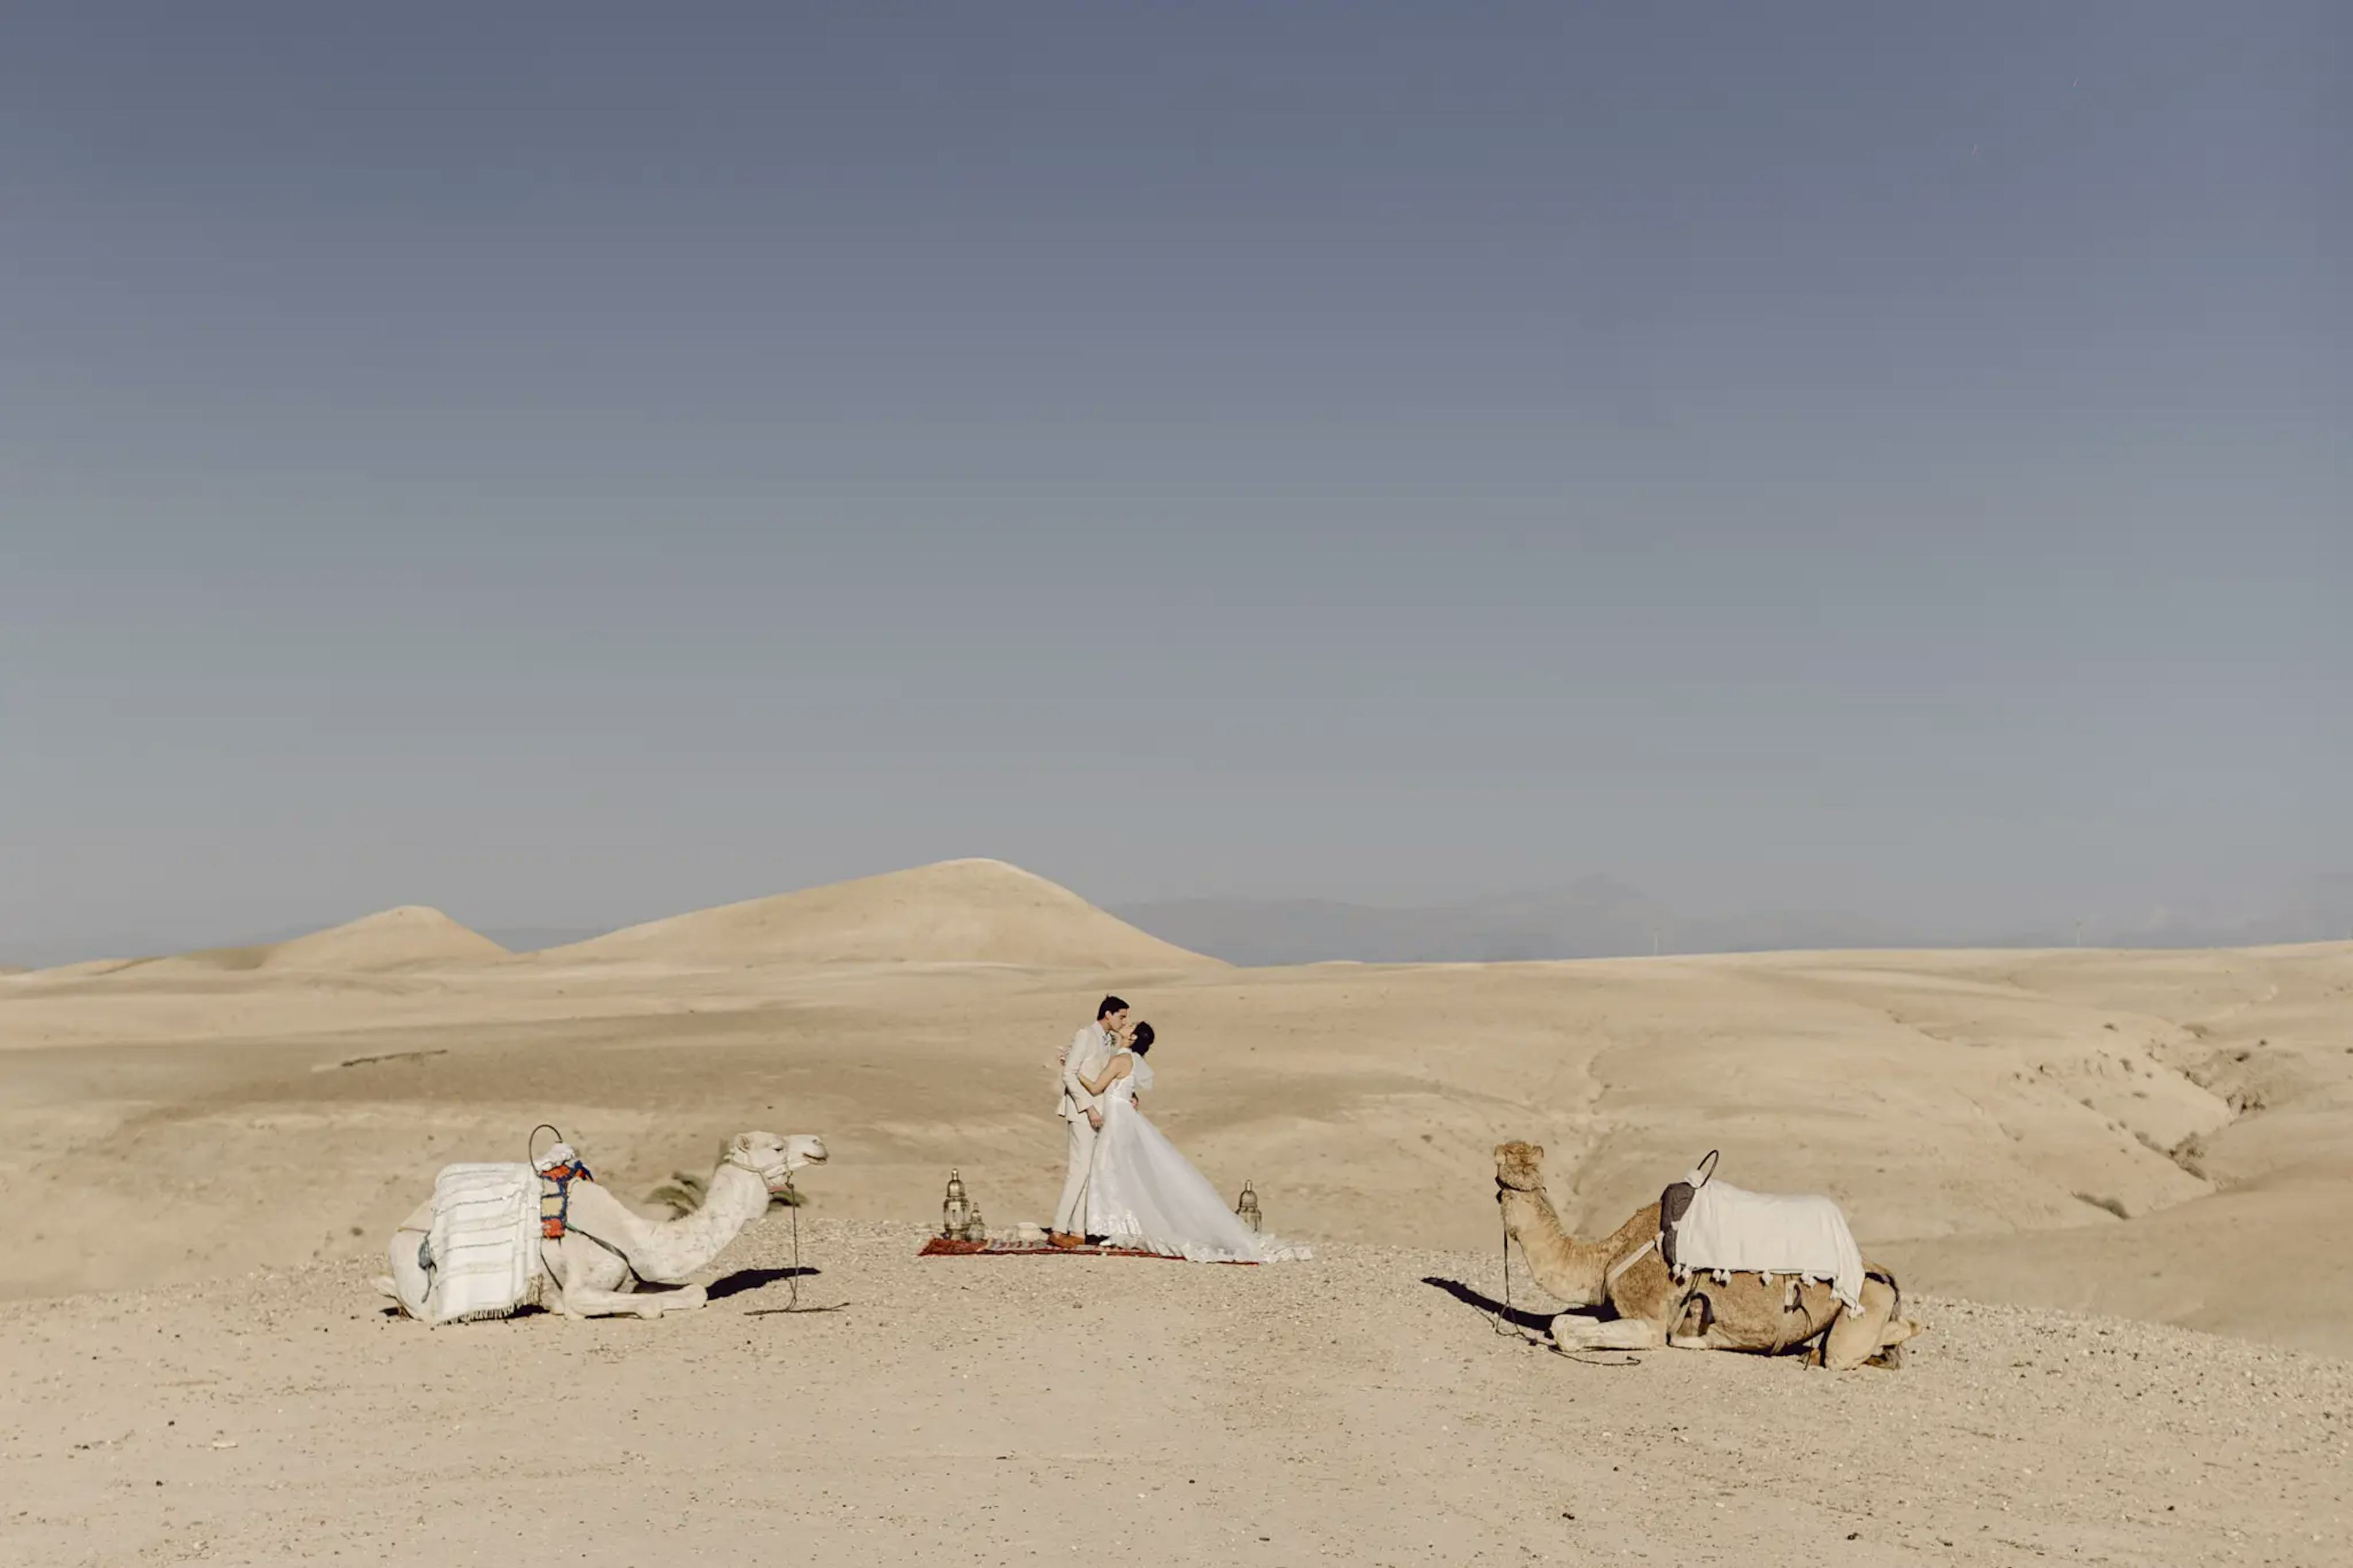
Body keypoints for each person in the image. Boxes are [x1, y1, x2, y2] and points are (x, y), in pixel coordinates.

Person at [1079, 1022, 1309, 1263]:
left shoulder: (1121, 1060)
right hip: (1123, 1117)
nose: (1125, 1025)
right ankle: (1118, 1226)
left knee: (1109, 1167)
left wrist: (1073, 1073)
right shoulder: (1132, 1060)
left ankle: (1112, 1227)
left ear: (1134, 1037)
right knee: (1120, 1169)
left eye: (1130, 1025)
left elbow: (1097, 1088)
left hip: (1117, 1119)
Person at [1050, 994, 1128, 1248]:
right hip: (1083, 1113)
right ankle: (1059, 1229)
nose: (1123, 1021)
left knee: (1086, 1172)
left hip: (1097, 1114)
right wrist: (1088, 1108)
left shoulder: (1107, 1039)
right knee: (1078, 1172)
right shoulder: (1086, 1034)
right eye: (1121, 1016)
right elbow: (1069, 1075)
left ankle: (1078, 1231)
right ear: (1108, 1014)